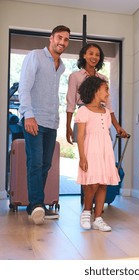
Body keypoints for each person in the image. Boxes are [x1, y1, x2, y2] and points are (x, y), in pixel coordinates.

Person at [18, 25, 70, 225]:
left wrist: (58, 121)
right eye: (59, 37)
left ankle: (37, 205)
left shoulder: (62, 66)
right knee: (36, 162)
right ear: (51, 38)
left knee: (46, 164)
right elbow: (24, 86)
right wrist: (28, 115)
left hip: (50, 121)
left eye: (66, 40)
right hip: (34, 119)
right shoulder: (36, 56)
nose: (62, 42)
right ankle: (36, 205)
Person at [75, 76, 120, 232]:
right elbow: (80, 136)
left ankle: (98, 218)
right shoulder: (83, 110)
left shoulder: (106, 112)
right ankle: (87, 211)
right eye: (106, 89)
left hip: (105, 151)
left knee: (103, 184)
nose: (108, 93)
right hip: (90, 151)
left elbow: (105, 132)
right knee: (92, 183)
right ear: (95, 90)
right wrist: (82, 157)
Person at [66, 42, 127, 144]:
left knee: (102, 151)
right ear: (84, 55)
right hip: (84, 118)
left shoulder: (103, 79)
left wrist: (117, 127)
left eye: (97, 55)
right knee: (85, 153)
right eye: (91, 53)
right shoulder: (75, 76)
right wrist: (68, 127)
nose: (94, 57)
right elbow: (70, 104)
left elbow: (108, 106)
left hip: (101, 117)